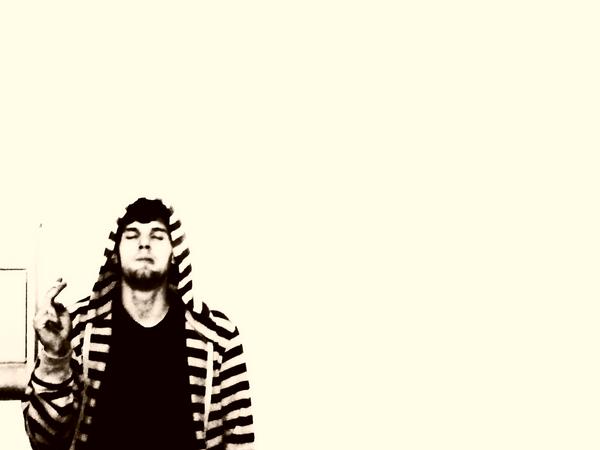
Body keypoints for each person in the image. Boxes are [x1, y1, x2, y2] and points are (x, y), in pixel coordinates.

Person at [22, 197, 255, 450]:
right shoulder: (77, 327)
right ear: (115, 254)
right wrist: (56, 356)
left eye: (157, 236)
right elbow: (44, 441)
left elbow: (240, 441)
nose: (144, 243)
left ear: (175, 253)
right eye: (132, 235)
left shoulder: (217, 337)